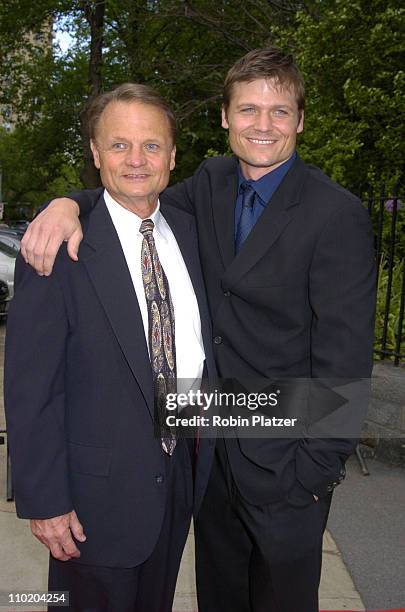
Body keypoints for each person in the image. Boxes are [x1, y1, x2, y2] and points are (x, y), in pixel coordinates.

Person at [20, 47, 376, 612]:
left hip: (286, 469)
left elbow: (346, 364)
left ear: (301, 120)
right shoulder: (207, 185)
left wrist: (312, 475)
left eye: (279, 111)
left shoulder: (335, 215)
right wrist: (67, 202)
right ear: (225, 118)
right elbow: (132, 192)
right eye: (248, 109)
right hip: (205, 469)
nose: (262, 124)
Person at [4, 83, 216, 612]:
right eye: (119, 145)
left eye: (151, 145)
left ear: (172, 154)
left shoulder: (191, 234)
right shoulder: (58, 245)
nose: (137, 160)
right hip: (91, 501)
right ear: (96, 154)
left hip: (179, 481)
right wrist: (45, 500)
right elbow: (32, 388)